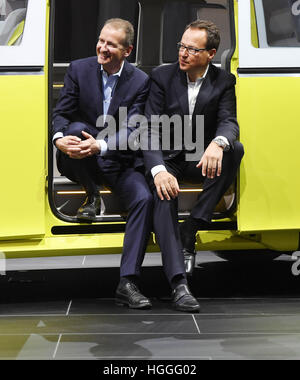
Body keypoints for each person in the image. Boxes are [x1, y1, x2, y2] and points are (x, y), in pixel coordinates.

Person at [53, 18, 154, 310]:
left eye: (111, 44)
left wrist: (103, 145)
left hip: (115, 158)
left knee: (144, 198)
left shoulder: (140, 81)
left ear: (127, 51)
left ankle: (128, 282)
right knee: (74, 128)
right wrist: (59, 138)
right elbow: (62, 113)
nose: (102, 48)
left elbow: (135, 127)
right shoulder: (78, 69)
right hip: (79, 159)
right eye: (101, 40)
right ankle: (91, 192)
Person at [143, 20, 244, 309]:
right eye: (181, 46)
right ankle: (178, 281)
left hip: (199, 156)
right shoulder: (161, 77)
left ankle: (193, 226)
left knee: (234, 149)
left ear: (210, 53)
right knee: (164, 194)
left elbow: (228, 121)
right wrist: (158, 170)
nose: (183, 53)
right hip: (167, 157)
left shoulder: (224, 80)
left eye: (191, 48)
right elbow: (148, 128)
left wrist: (218, 143)